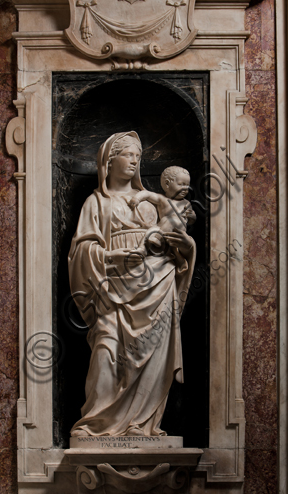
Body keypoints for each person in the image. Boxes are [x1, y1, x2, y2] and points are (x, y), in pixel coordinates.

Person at [68, 132, 196, 437]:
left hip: (156, 287)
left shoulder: (154, 204)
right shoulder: (97, 202)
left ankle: (141, 423)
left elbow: (171, 247)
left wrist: (189, 248)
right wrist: (114, 256)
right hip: (111, 289)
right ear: (109, 161)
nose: (135, 160)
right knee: (106, 350)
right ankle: (98, 423)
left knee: (153, 352)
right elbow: (81, 252)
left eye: (138, 155)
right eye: (128, 154)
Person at [127, 166, 196, 255]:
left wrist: (192, 216)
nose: (185, 188)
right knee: (152, 230)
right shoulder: (162, 199)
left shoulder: (186, 203)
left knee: (169, 220)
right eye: (181, 184)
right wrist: (137, 198)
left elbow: (191, 221)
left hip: (178, 233)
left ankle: (156, 238)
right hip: (163, 229)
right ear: (167, 184)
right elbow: (147, 194)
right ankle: (142, 248)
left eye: (187, 185)